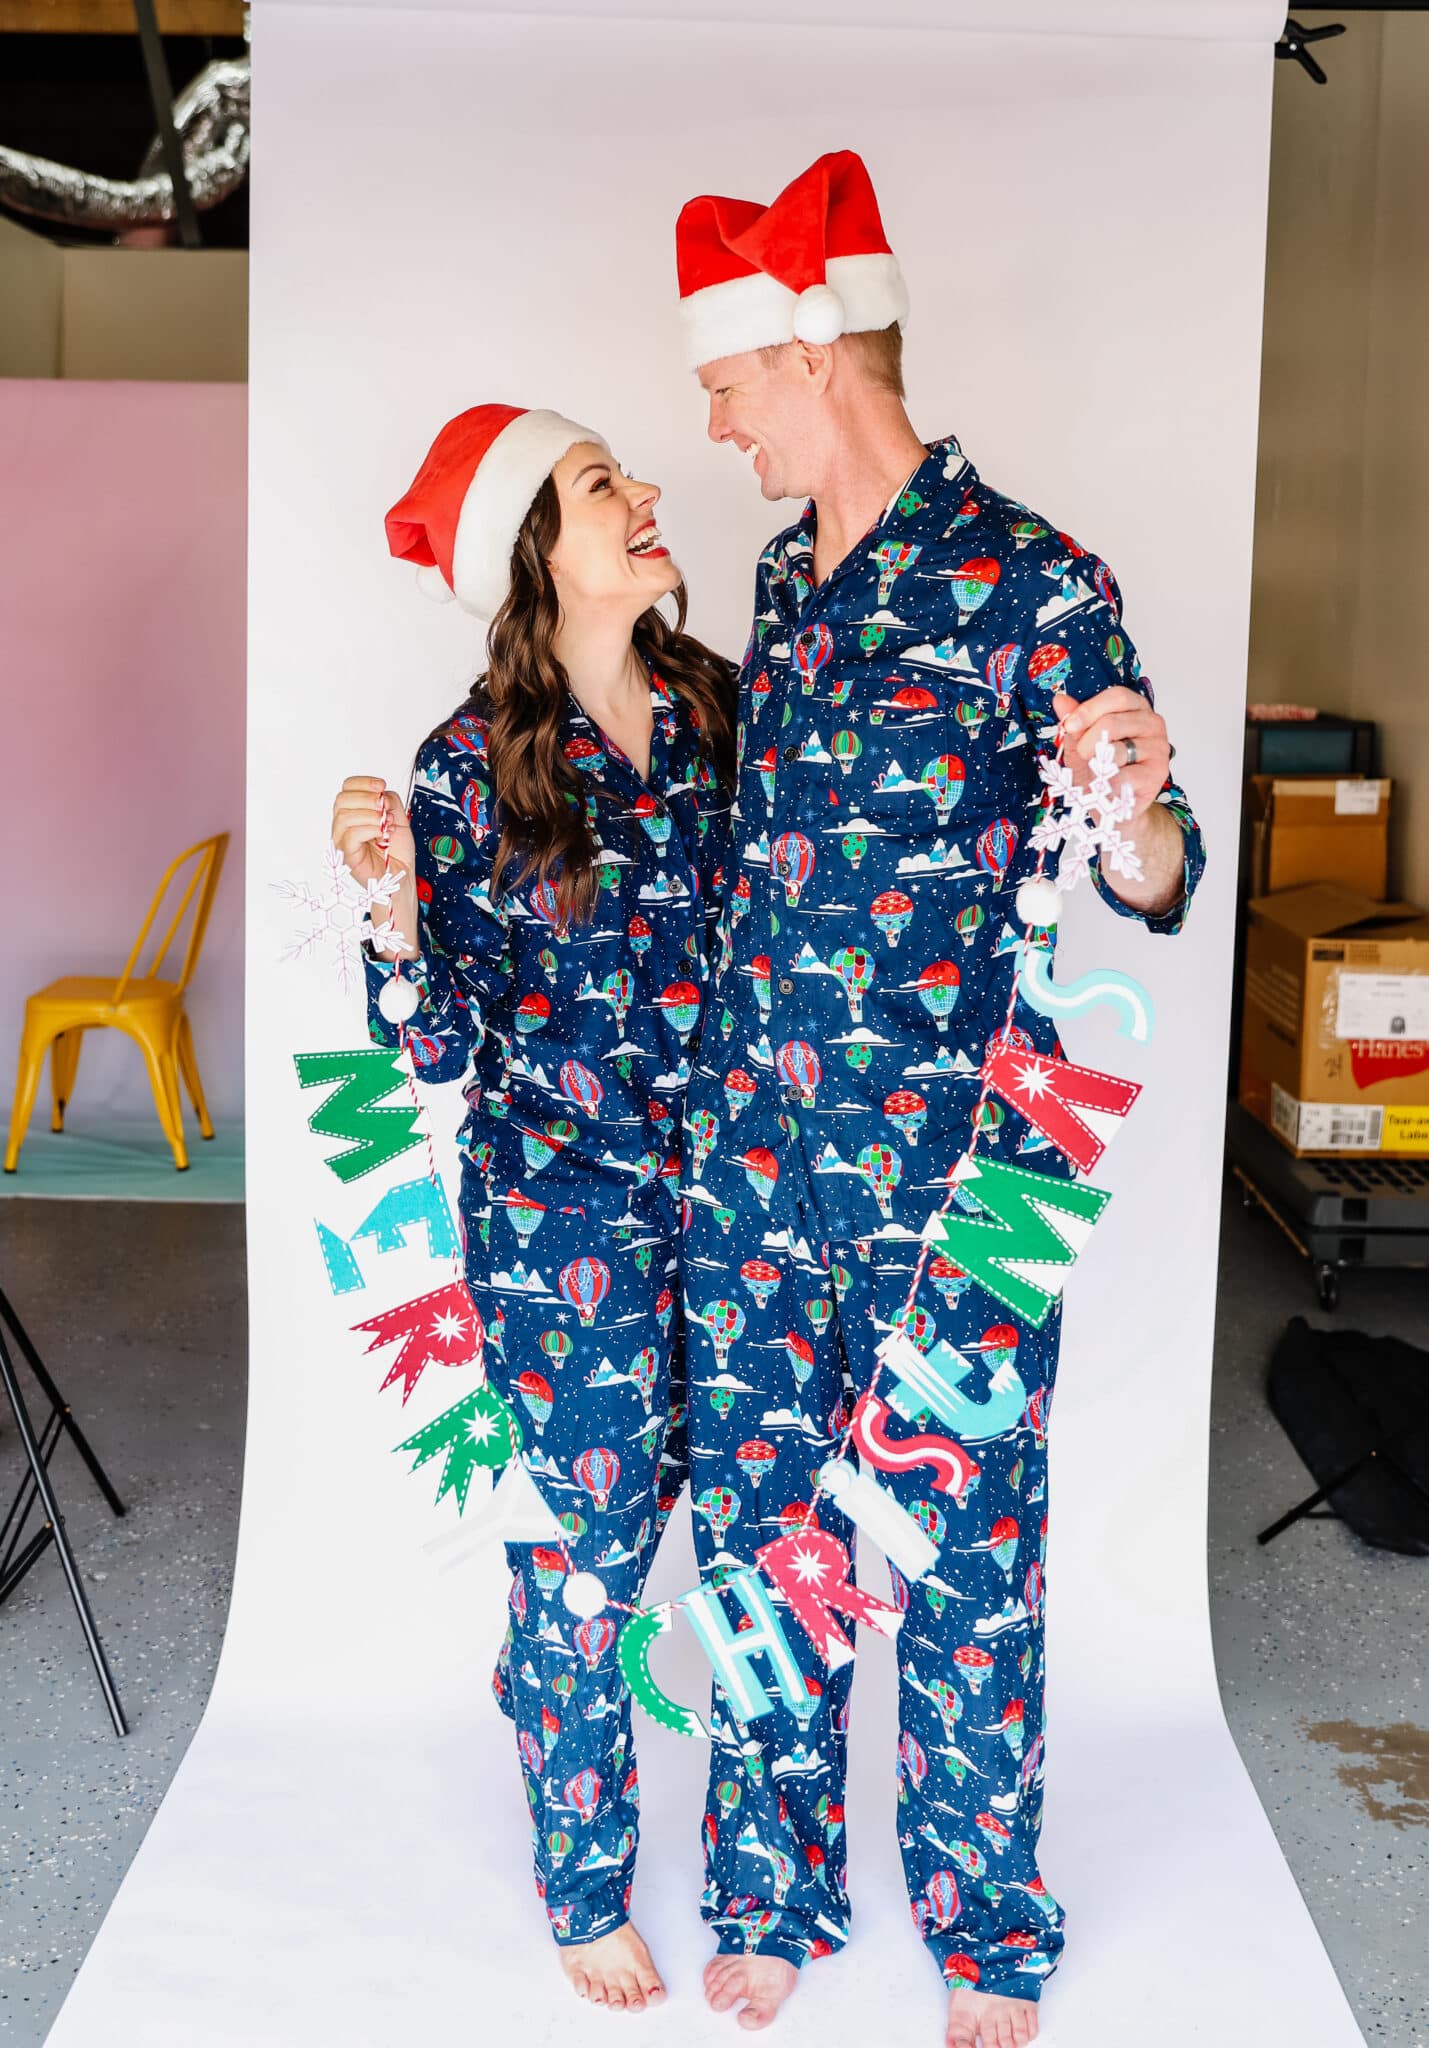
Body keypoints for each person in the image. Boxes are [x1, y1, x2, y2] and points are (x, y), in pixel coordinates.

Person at [669, 152, 1207, 2044]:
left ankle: (985, 1924)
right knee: (760, 1525)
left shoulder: (1035, 580)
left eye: (728, 383)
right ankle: (771, 1885)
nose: (714, 421)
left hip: (948, 1175)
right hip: (753, 1159)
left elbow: (1153, 869)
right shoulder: (772, 574)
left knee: (963, 1540)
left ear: (808, 349)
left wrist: (1130, 810)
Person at [330, 404, 736, 2015]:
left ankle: (748, 1852)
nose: (645, 495)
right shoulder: (462, 767)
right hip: (561, 1224)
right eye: (599, 486)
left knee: (767, 1532)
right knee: (589, 1557)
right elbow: (433, 1046)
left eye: (630, 474)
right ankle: (584, 1888)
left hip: (752, 1203)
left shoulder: (721, 706)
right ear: (534, 553)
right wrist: (388, 920)